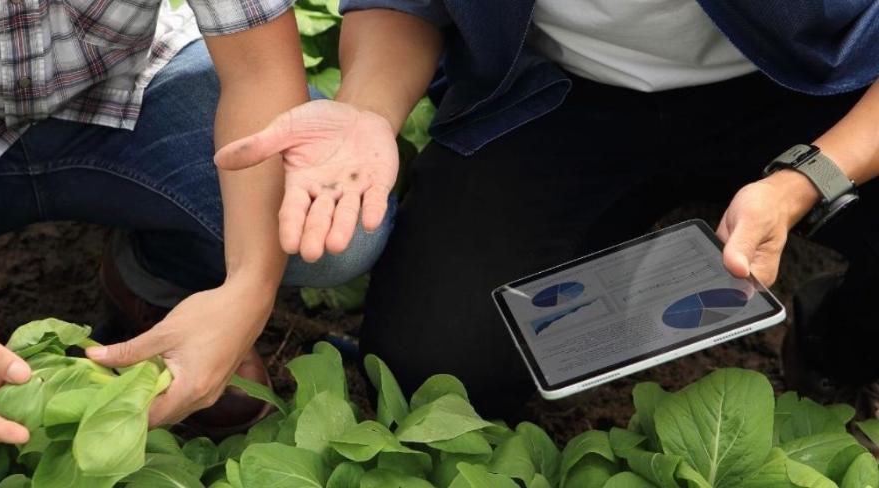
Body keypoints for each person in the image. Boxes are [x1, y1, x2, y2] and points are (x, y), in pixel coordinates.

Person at [216, 0, 879, 419]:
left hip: (812, 86)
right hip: (561, 93)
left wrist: (803, 180)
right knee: (441, 364)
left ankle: (836, 339)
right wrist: (367, 106)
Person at [0, 1, 391, 444]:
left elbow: (258, 70)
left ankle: (157, 282)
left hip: (124, 93)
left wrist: (248, 288)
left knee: (330, 225)